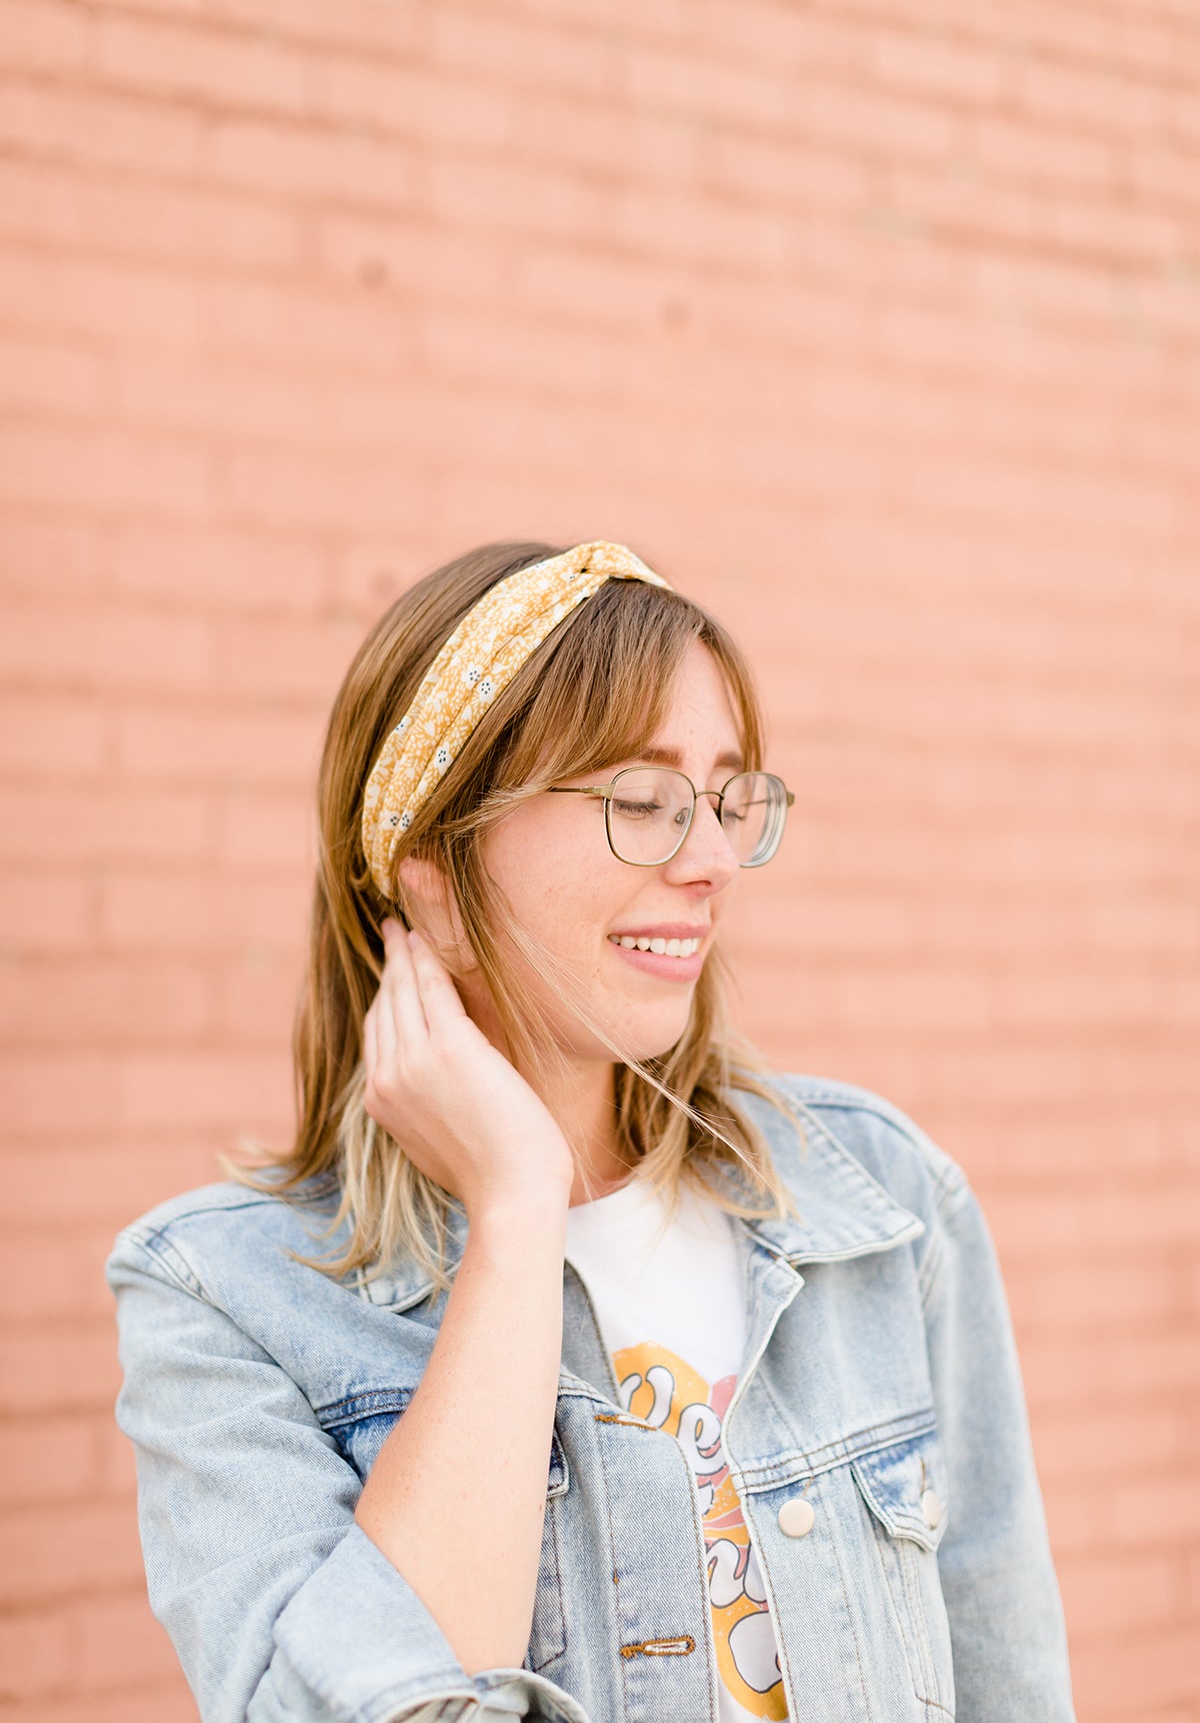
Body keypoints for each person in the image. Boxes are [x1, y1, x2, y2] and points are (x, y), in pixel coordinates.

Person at [107, 538, 1077, 1723]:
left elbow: (1012, 1679)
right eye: (641, 801)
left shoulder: (880, 1202)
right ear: (434, 882)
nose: (714, 860)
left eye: (726, 799)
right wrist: (519, 1207)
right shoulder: (225, 1302)